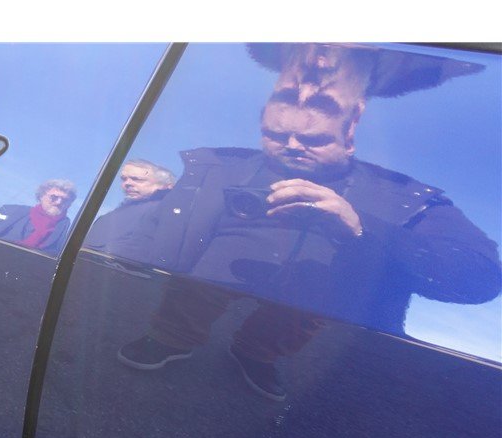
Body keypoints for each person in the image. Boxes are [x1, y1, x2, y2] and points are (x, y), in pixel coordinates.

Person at [118, 53, 500, 400]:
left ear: (350, 132)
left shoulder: (403, 196)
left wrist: (360, 225)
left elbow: (480, 277)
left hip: (314, 304)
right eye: (275, 135)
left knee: (304, 306)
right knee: (201, 284)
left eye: (313, 139)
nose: (292, 145)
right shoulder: (216, 165)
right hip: (201, 284)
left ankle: (257, 352)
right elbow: (147, 222)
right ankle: (171, 336)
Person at [84, 159, 176, 263]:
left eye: (137, 179)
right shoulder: (107, 218)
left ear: (166, 186)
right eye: (124, 179)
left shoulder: (167, 213)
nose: (127, 183)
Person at [0, 179, 77, 255]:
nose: (59, 202)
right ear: (41, 196)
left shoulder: (71, 230)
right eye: (54, 197)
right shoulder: (10, 211)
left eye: (65, 200)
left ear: (69, 204)